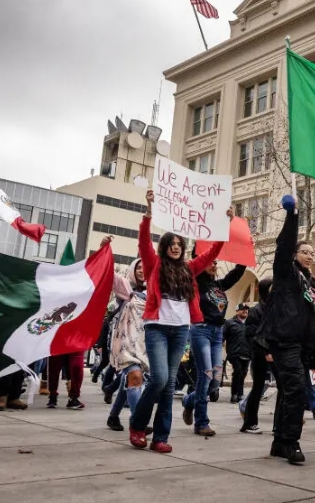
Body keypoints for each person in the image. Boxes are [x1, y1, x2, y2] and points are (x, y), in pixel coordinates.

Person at [127, 189, 227, 453]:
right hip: (157, 328)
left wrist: (223, 226)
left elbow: (211, 253)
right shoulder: (153, 265)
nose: (175, 247)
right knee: (159, 379)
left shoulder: (189, 268)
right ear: (164, 248)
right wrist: (148, 212)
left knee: (170, 385)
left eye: (179, 245)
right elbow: (142, 243)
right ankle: (138, 425)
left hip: (181, 329)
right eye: (171, 244)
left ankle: (161, 436)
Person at [256, 194, 315, 465]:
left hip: (303, 345)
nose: (310, 256)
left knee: (290, 392)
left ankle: (279, 442)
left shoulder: (314, 284)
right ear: (295, 255)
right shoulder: (286, 273)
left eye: (313, 253)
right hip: (284, 340)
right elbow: (284, 245)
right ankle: (291, 442)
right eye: (305, 252)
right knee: (297, 390)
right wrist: (293, 217)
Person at [181, 254, 246, 435]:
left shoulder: (218, 286)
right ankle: (201, 422)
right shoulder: (195, 282)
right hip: (201, 330)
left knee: (215, 381)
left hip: (217, 333)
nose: (214, 265)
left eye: (216, 262)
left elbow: (235, 275)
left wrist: (243, 259)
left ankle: (189, 401)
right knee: (206, 376)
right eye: (210, 262)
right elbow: (194, 262)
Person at [106, 258, 149, 432]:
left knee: (130, 379)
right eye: (138, 267)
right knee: (135, 376)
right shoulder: (125, 286)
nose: (141, 270)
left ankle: (113, 416)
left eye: (145, 267)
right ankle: (137, 422)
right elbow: (108, 273)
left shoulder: (155, 291)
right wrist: (104, 249)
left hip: (143, 344)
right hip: (124, 342)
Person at [241, 278, 274, 434]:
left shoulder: (277, 309)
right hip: (261, 356)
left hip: (277, 353)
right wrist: (265, 352)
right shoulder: (256, 311)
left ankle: (280, 425)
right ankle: (249, 422)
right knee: (258, 387)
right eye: (271, 289)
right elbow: (251, 335)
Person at [223, 303, 252, 404]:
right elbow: (223, 336)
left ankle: (240, 394)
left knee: (243, 373)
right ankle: (234, 394)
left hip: (247, 352)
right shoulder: (229, 322)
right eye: (242, 309)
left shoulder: (250, 323)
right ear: (237, 311)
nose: (245, 311)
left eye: (246, 309)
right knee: (238, 371)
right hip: (234, 352)